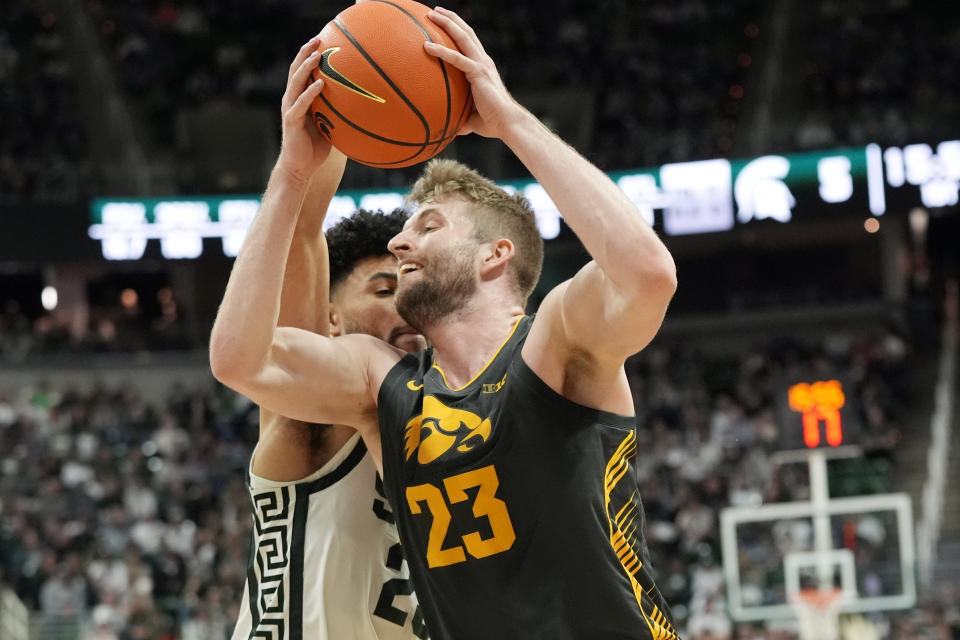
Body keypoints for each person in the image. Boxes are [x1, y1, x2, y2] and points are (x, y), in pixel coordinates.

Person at [212, 8, 680, 639]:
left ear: (496, 254)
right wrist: (295, 172)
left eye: (426, 226)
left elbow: (648, 275)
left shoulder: (555, 341)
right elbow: (240, 360)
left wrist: (509, 120)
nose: (401, 243)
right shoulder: (385, 388)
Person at [229, 146, 428, 639]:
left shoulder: (456, 416)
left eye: (413, 290)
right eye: (384, 291)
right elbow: (302, 229)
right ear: (331, 319)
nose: (405, 304)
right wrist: (334, 122)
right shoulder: (314, 416)